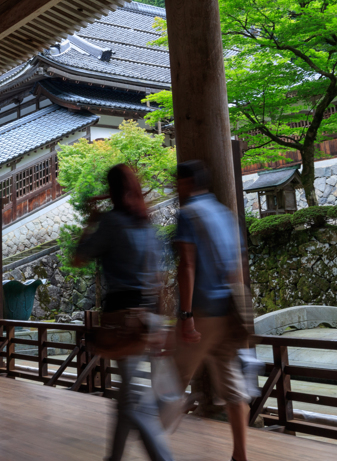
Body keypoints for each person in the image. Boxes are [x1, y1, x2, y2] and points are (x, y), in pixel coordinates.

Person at [72, 164, 174, 461]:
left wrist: (91, 222)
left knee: (130, 402)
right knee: (127, 398)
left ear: (113, 191)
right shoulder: (146, 223)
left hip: (123, 319)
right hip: (151, 318)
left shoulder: (112, 223)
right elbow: (160, 279)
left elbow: (79, 258)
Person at [172, 160, 249, 461]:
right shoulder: (225, 214)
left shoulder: (188, 213)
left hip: (202, 311)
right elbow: (237, 264)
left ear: (187, 183)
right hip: (228, 310)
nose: (175, 189)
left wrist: (186, 316)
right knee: (232, 386)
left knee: (172, 382)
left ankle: (156, 448)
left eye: (177, 183)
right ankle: (240, 455)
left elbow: (187, 265)